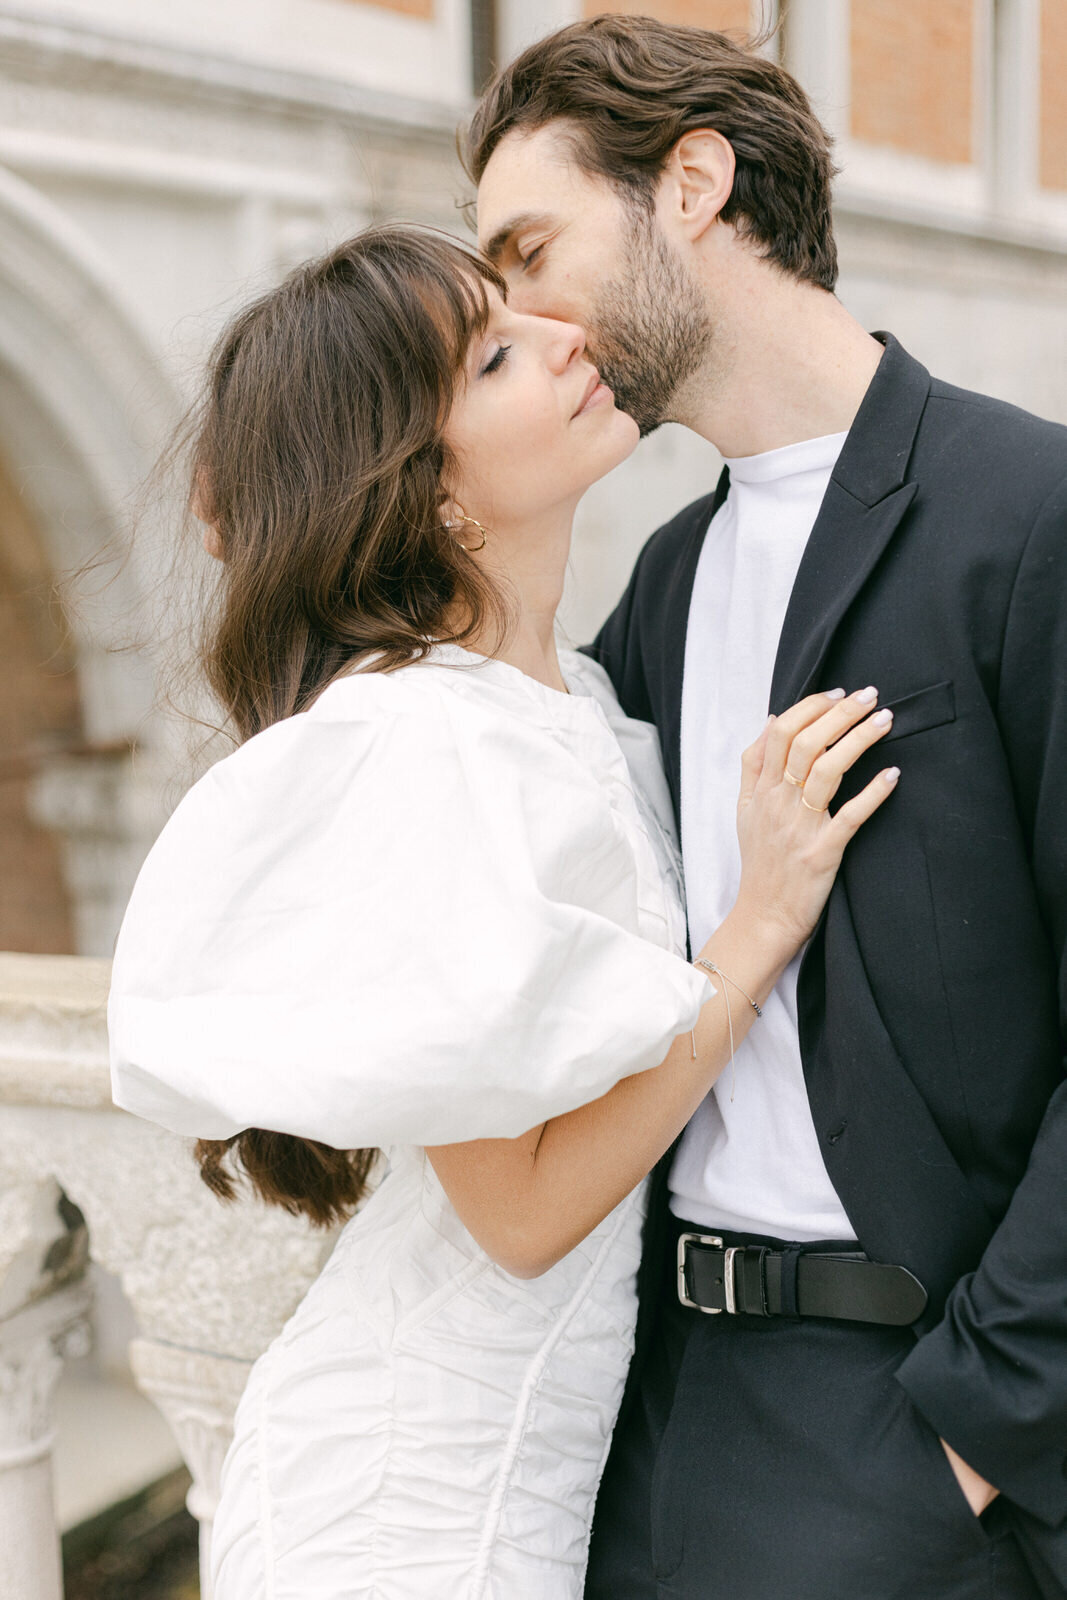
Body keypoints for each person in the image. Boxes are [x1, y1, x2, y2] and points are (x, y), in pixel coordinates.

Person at [107, 226, 896, 1598]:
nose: (567, 341)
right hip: (416, 1501)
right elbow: (521, 1214)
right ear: (426, 492)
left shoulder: (569, 705)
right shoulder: (420, 743)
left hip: (534, 1468)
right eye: (495, 355)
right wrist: (756, 930)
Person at [467, 15, 1067, 1600]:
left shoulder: (1032, 516)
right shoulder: (660, 587)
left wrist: (979, 1439)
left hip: (914, 1428)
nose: (520, 314)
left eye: (533, 248)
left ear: (693, 184)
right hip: (649, 1412)